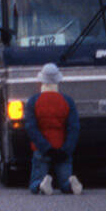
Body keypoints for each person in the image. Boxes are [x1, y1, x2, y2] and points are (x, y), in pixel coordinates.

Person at [23, 62, 83, 195]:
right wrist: (66, 149)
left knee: (35, 182)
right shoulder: (67, 101)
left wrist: (46, 148)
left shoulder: (33, 101)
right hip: (62, 148)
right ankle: (71, 184)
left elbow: (31, 128)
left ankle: (42, 185)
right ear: (58, 81)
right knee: (64, 185)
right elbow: (73, 128)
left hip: (42, 150)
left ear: (41, 81)